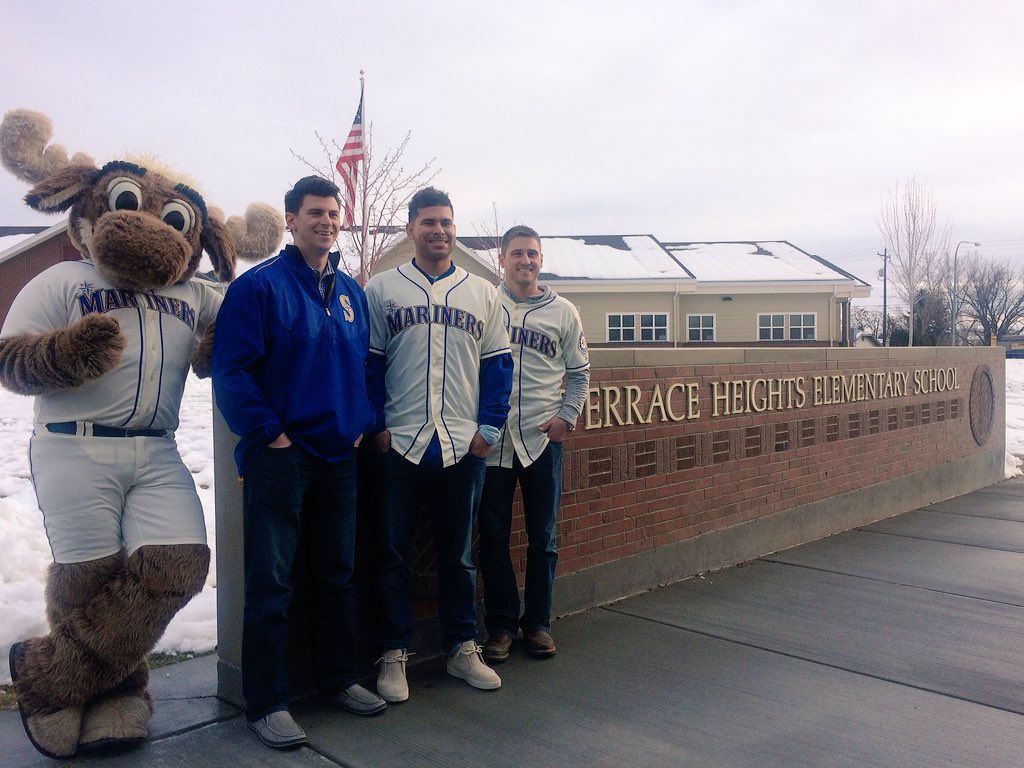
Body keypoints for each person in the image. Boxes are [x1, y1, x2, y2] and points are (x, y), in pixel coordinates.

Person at [211, 176, 385, 750]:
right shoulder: (259, 289)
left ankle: (338, 679)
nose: (327, 222)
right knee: (273, 583)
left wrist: (361, 422)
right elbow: (232, 372)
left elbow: (364, 368)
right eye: (315, 213)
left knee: (337, 575)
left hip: (339, 457)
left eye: (334, 214)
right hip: (281, 459)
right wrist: (272, 435)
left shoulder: (351, 294)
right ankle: (266, 702)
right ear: (291, 219)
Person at [366, 187, 513, 701]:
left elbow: (499, 367)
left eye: (446, 222)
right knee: (389, 556)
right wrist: (375, 423)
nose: (439, 230)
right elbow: (370, 364)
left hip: (460, 445)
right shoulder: (382, 287)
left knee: (458, 557)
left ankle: (459, 648)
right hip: (399, 442)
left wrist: (489, 428)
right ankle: (391, 652)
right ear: (410, 229)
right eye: (428, 222)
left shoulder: (483, 291)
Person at [479, 225, 591, 664]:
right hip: (491, 440)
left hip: (542, 439)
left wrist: (567, 416)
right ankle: (502, 627)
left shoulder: (564, 311)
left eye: (532, 254)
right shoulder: (485, 302)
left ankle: (539, 623)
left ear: (540, 260)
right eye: (517, 254)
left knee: (543, 536)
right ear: (502, 259)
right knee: (492, 538)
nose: (525, 261)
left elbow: (580, 373)